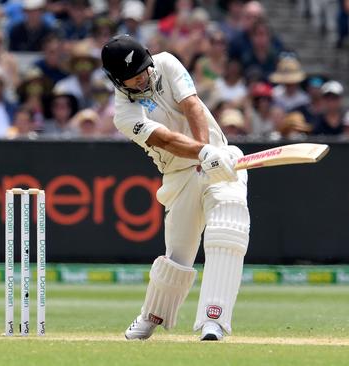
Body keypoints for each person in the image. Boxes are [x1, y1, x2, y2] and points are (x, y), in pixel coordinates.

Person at [101, 35, 249, 341]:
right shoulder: (125, 116)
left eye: (143, 71)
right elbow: (164, 140)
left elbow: (192, 105)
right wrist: (200, 154)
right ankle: (151, 316)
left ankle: (214, 321)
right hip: (179, 174)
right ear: (118, 82)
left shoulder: (166, 62)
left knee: (227, 227)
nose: (142, 80)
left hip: (219, 159)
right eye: (133, 79)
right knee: (178, 257)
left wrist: (209, 152)